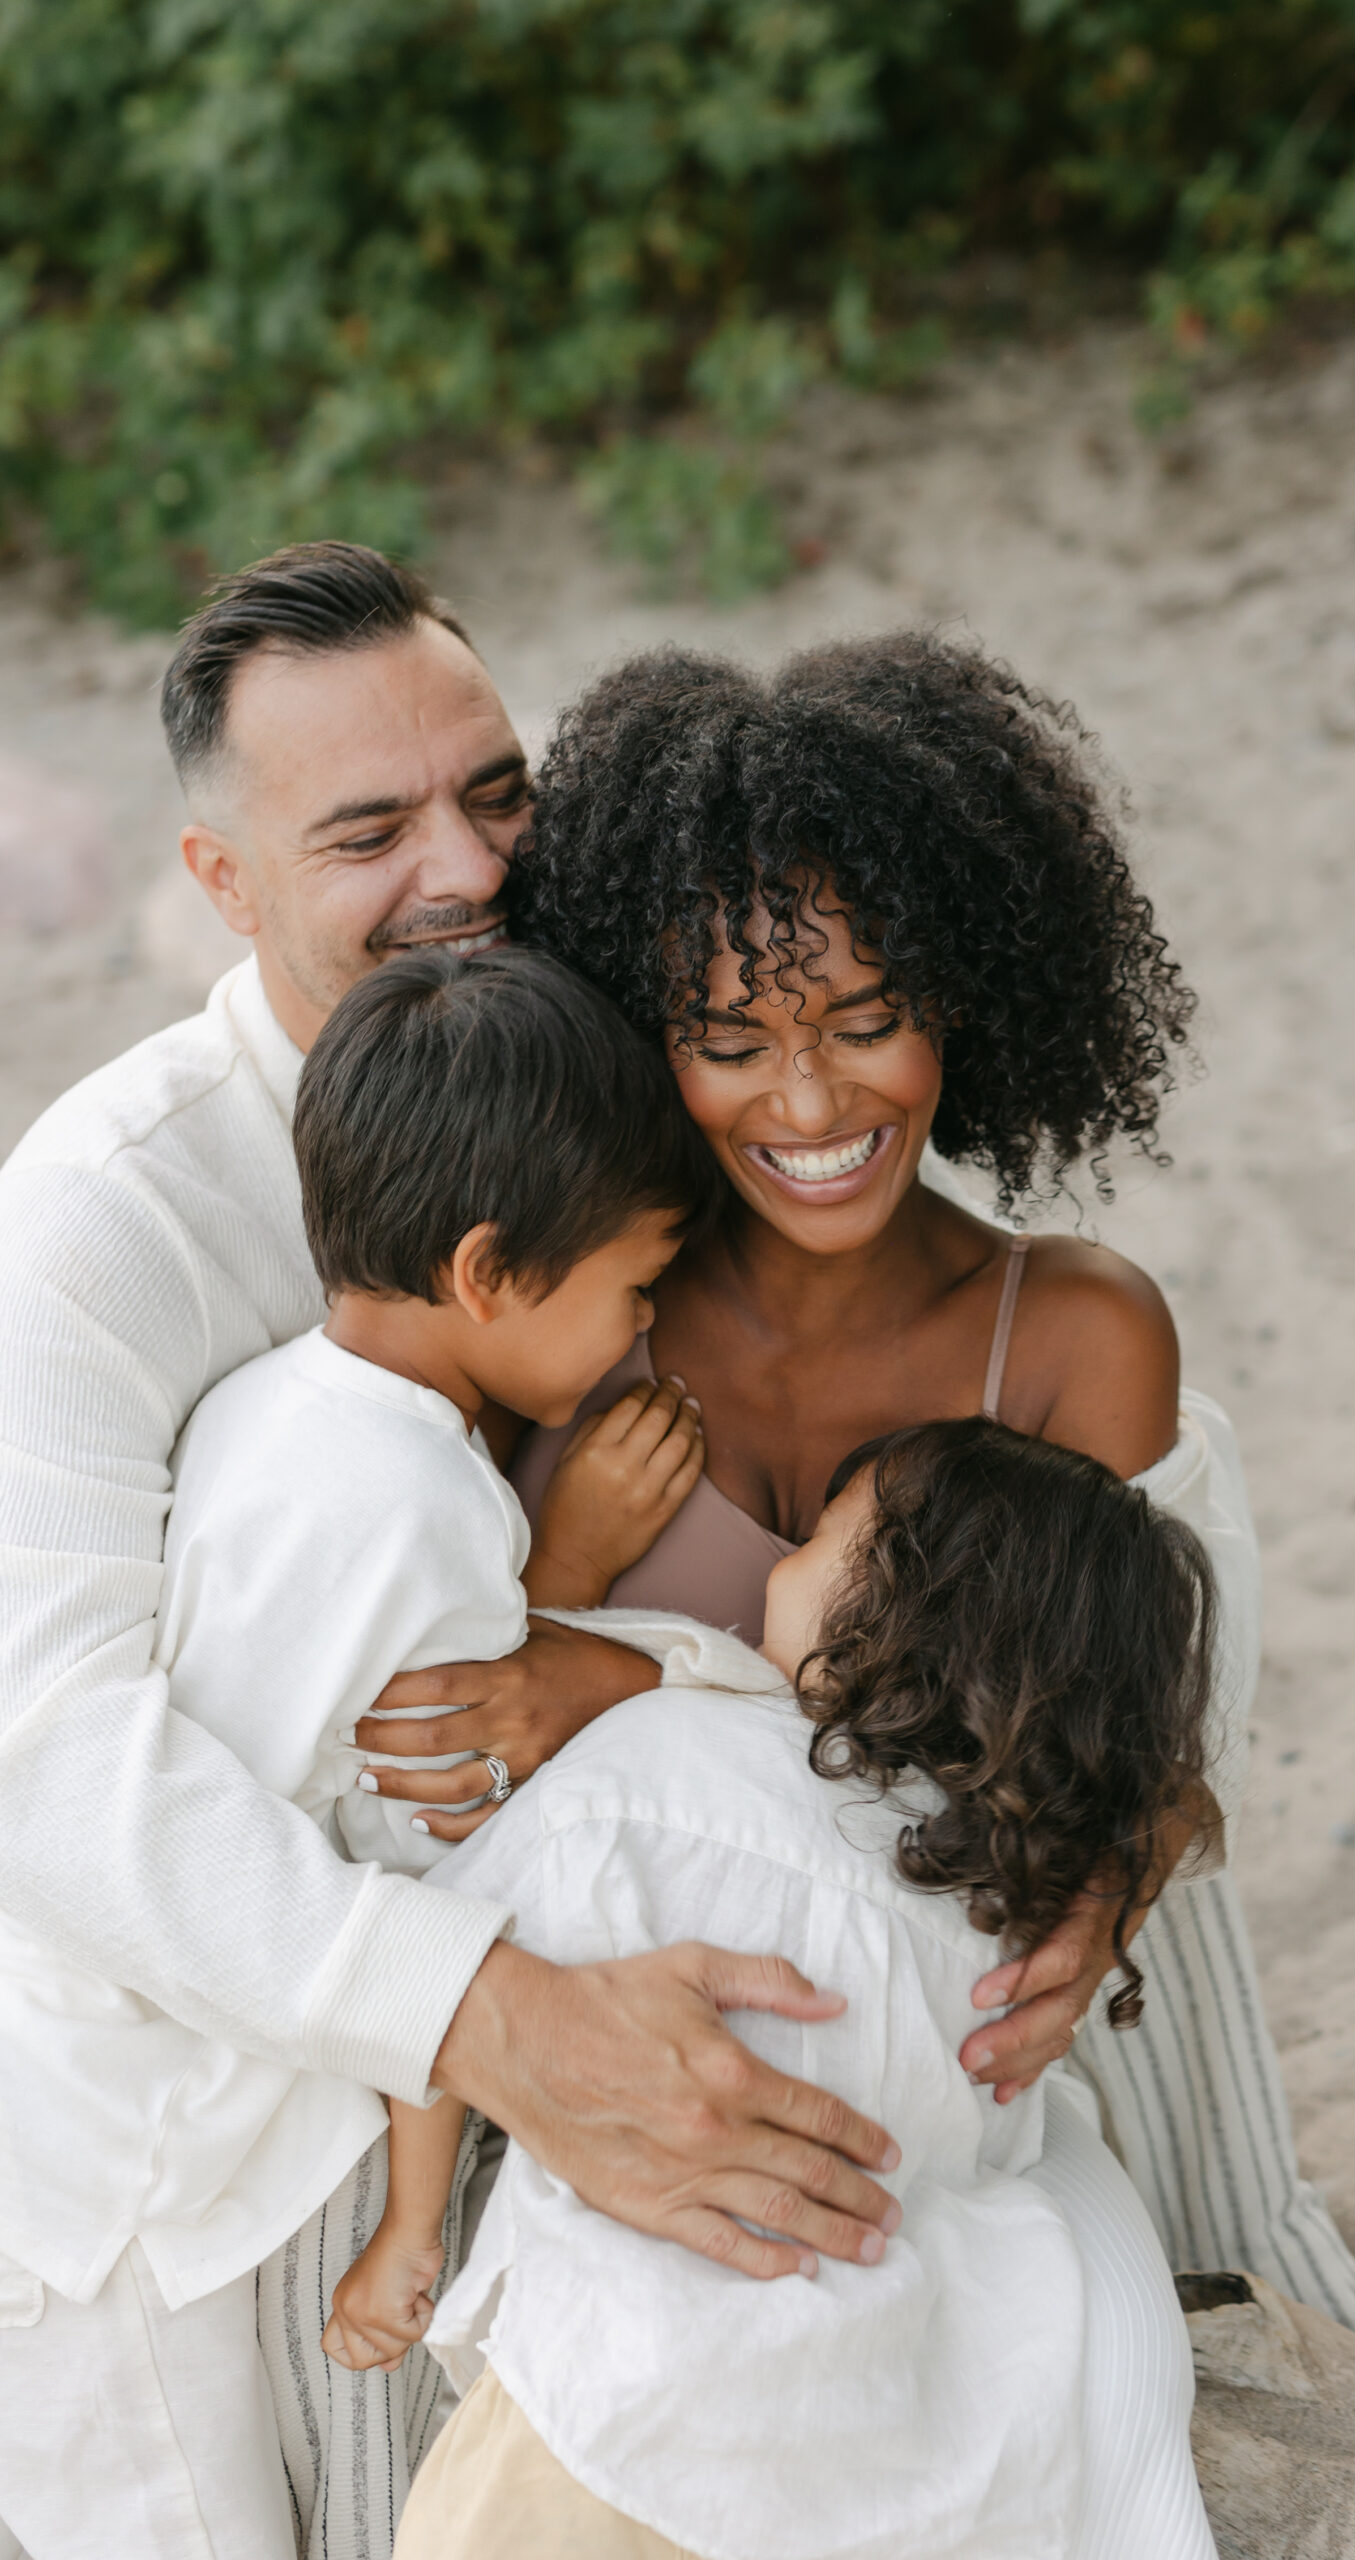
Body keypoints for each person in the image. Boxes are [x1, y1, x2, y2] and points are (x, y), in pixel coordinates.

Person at [0, 549, 905, 2560]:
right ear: (220, 883)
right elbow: (44, 1750)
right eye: (366, 828)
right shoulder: (92, 1222)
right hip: (131, 2155)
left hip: (450, 1985)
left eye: (494, 791)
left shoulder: (596, 1062)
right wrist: (494, 2013)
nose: (470, 867)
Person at [367, 632, 1355, 2353]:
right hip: (642, 2068)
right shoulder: (560, 1333)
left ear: (964, 1003)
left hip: (1001, 2053)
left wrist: (1111, 1889)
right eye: (728, 1039)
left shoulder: (1070, 1335)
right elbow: (441, 1738)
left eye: (868, 1020)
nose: (810, 1100)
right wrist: (556, 1574)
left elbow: (1156, 1751)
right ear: (640, 1030)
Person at [0, 945, 722, 2557]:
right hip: (122, 2193)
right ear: (486, 1273)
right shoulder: (432, 1509)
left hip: (68, 2099)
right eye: (632, 1285)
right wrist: (410, 2231)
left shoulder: (257, 1402)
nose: (642, 1330)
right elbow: (431, 1858)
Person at [395, 1419, 1223, 2560]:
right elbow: (998, 2147)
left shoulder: (655, 1762)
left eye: (820, 1536)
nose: (775, 1560)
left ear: (881, 1608)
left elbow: (446, 1968)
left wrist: (404, 2231)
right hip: (856, 2437)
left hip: (610, 2401)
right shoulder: (1006, 1912)